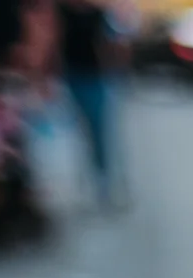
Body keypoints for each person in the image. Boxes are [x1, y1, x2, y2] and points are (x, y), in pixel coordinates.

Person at [53, 0, 127, 208]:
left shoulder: (98, 14)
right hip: (68, 77)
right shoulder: (61, 11)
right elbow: (52, 41)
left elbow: (111, 44)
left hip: (94, 78)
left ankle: (103, 182)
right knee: (70, 133)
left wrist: (114, 72)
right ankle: (78, 182)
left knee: (98, 131)